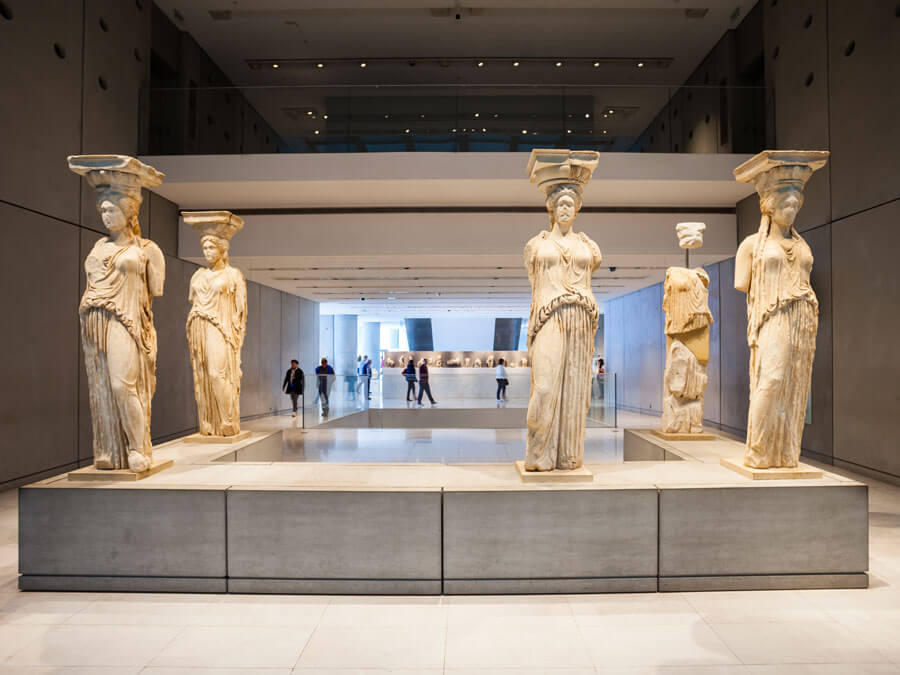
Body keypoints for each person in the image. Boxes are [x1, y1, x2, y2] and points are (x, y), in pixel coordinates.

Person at [524, 159, 602, 471]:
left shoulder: (589, 246)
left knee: (575, 390)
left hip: (581, 316)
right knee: (544, 388)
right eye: (561, 204)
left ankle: (568, 456)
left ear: (577, 209)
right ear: (551, 209)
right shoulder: (535, 245)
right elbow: (536, 283)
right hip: (549, 316)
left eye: (571, 204)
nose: (566, 210)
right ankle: (538, 454)